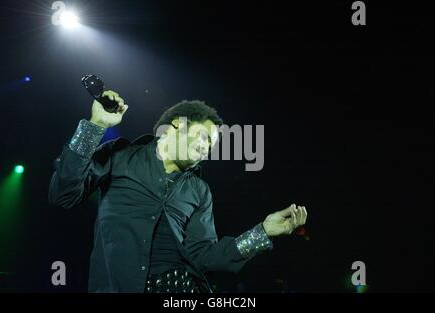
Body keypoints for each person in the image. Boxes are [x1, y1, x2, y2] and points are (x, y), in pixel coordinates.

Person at [48, 90, 308, 293]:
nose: (208, 148)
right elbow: (63, 195)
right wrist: (96, 125)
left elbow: (204, 256)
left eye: (213, 145)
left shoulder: (200, 191)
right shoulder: (120, 156)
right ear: (177, 124)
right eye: (205, 137)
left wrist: (261, 232)